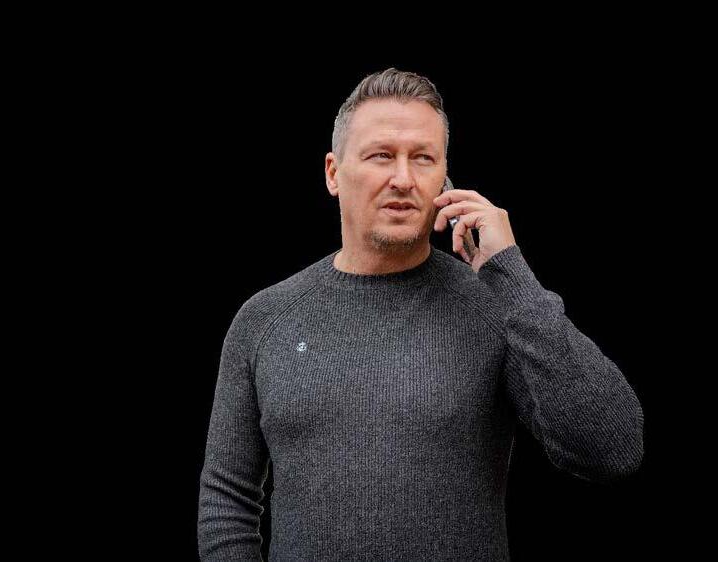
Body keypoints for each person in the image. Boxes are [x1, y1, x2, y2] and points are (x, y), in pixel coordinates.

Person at [197, 67, 644, 561]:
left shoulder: (497, 307)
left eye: (423, 158)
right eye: (381, 155)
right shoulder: (265, 319)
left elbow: (612, 451)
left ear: (444, 178)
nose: (403, 179)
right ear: (333, 173)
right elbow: (227, 498)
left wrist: (511, 273)